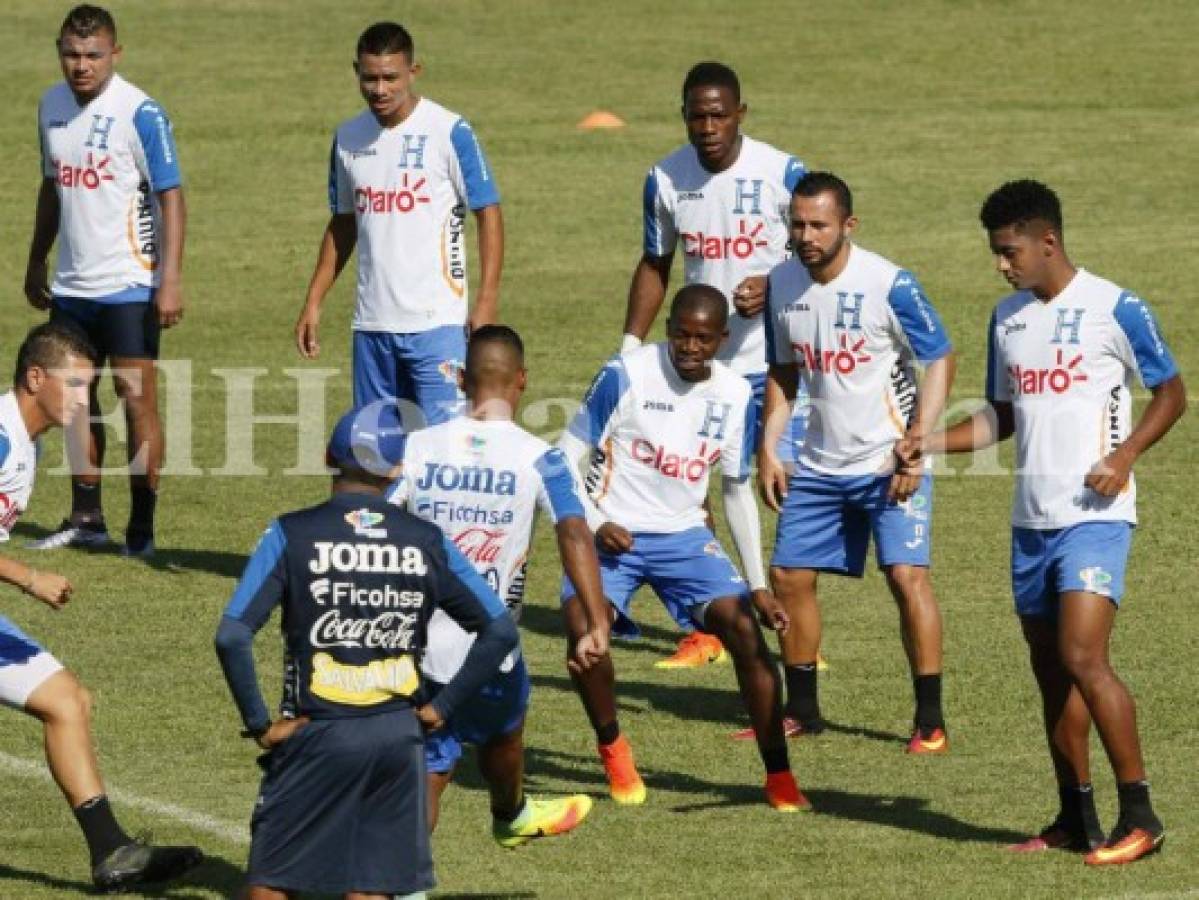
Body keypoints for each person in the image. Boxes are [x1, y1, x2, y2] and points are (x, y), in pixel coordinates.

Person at [916, 180, 1185, 864]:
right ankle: (1074, 816)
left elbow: (1171, 391)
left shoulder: (1113, 307)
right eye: (995, 254)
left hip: (1094, 518)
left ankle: (1140, 816)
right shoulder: (1006, 318)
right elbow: (1000, 417)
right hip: (1029, 523)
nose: (1001, 266)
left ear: (1047, 242)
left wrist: (1124, 456)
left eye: (1008, 252)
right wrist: (926, 441)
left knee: (1083, 657)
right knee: (1050, 673)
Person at [215, 407, 519, 898]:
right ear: (396, 471)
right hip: (399, 738)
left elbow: (232, 635)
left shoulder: (291, 533)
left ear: (326, 458)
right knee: (372, 887)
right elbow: (500, 632)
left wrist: (260, 725)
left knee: (271, 881)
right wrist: (441, 707)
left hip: (319, 731)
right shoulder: (426, 540)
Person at [558, 285, 807, 812]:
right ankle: (613, 748)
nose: (689, 347)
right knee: (584, 627)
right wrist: (598, 522)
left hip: (685, 538)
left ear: (721, 338)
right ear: (667, 326)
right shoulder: (625, 372)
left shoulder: (737, 393)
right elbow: (564, 456)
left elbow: (736, 490)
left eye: (702, 338)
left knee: (743, 629)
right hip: (612, 537)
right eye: (680, 334)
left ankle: (779, 775)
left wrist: (758, 585)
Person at [385, 324, 609, 845]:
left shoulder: (416, 447)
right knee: (503, 731)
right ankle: (510, 814)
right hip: (490, 646)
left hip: (411, 643)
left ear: (461, 380)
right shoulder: (541, 458)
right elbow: (575, 530)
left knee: (433, 762)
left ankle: (407, 880)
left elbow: (371, 516)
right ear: (523, 381)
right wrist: (596, 622)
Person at [621, 60, 811, 671]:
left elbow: (821, 251)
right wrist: (631, 343)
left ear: (740, 114)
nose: (708, 126)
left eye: (719, 114)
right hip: (703, 370)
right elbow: (656, 264)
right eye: (697, 115)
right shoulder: (665, 178)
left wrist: (776, 283)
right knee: (689, 491)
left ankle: (797, 635)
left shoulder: (783, 174)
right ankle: (703, 626)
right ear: (684, 116)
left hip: (779, 365)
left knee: (783, 493)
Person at [1, 323, 201, 891]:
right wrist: (29, 577)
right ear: (35, 378)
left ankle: (111, 853)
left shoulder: (26, 440)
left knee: (67, 700)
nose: (84, 401)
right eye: (73, 385)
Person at [760, 172, 956, 751]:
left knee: (906, 577)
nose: (806, 235)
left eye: (818, 224)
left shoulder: (888, 283)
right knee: (789, 577)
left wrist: (918, 441)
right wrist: (770, 449)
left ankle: (930, 719)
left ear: (848, 225)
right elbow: (784, 372)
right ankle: (802, 710)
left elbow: (939, 356)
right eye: (797, 223)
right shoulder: (781, 283)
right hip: (818, 461)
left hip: (888, 461)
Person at [24, 4, 187, 558]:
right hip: (72, 287)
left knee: (135, 398)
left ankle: (142, 530)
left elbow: (171, 196)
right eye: (71, 54)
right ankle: (87, 518)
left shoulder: (141, 112)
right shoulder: (50, 105)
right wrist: (36, 259)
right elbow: (52, 186)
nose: (81, 66)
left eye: (93, 55)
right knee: (74, 399)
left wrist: (169, 279)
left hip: (130, 285)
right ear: (59, 52)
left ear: (115, 53)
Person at [295, 20, 503, 428]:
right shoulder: (348, 138)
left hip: (438, 326)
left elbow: (488, 212)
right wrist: (314, 301)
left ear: (413, 71)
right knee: (376, 459)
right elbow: (342, 224)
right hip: (372, 326)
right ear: (356, 71)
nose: (380, 89)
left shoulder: (449, 132)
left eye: (390, 78)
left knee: (445, 450)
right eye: (369, 78)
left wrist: (486, 299)